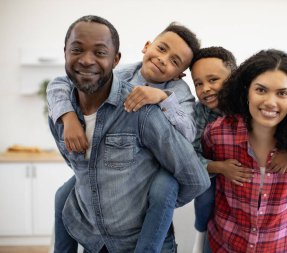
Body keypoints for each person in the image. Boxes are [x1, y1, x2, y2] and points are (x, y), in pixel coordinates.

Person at [48, 15, 210, 252]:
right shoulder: (120, 74)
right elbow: (60, 84)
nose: (163, 60)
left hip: (162, 166)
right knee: (64, 194)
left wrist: (163, 99)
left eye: (174, 61)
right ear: (147, 46)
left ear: (178, 74)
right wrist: (68, 117)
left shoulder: (175, 93)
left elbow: (186, 133)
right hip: (116, 171)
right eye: (161, 49)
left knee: (162, 191)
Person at [201, 49, 287, 252]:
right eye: (261, 90)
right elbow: (201, 164)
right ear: (247, 91)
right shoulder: (218, 134)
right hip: (225, 245)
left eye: (282, 93)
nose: (270, 102)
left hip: (280, 246)